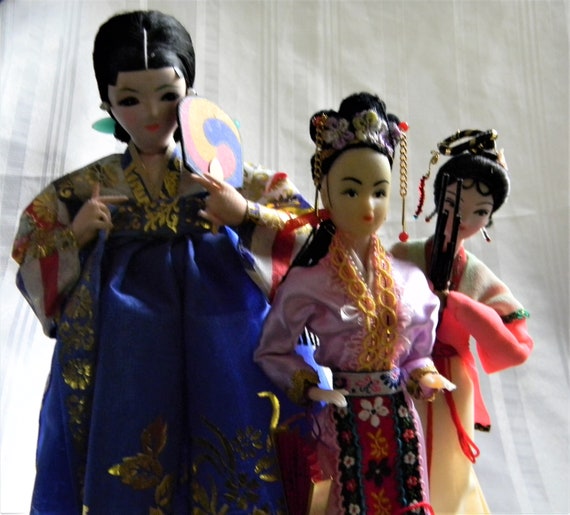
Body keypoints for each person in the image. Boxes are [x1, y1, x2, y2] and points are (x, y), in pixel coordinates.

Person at [12, 10, 313, 513]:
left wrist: (244, 214)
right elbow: (29, 253)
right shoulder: (85, 188)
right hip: (123, 345)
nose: (152, 113)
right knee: (126, 437)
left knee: (233, 433)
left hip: (223, 334)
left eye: (168, 96)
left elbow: (308, 236)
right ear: (107, 103)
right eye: (130, 99)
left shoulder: (225, 174)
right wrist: (77, 233)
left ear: (190, 93)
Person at [254, 92, 455, 514]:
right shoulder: (308, 283)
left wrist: (425, 374)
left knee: (406, 498)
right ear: (325, 192)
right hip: (340, 420)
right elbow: (272, 350)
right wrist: (311, 386)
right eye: (351, 191)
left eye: (380, 192)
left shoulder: (410, 279)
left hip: (398, 417)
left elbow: (417, 351)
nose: (367, 205)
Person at [390, 129, 534, 514]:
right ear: (438, 200)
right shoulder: (403, 254)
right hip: (397, 367)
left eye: (479, 212)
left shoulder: (478, 278)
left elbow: (518, 345)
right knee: (395, 447)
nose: (463, 219)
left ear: (489, 217)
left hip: (451, 377)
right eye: (453, 205)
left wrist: (462, 307)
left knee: (448, 464)